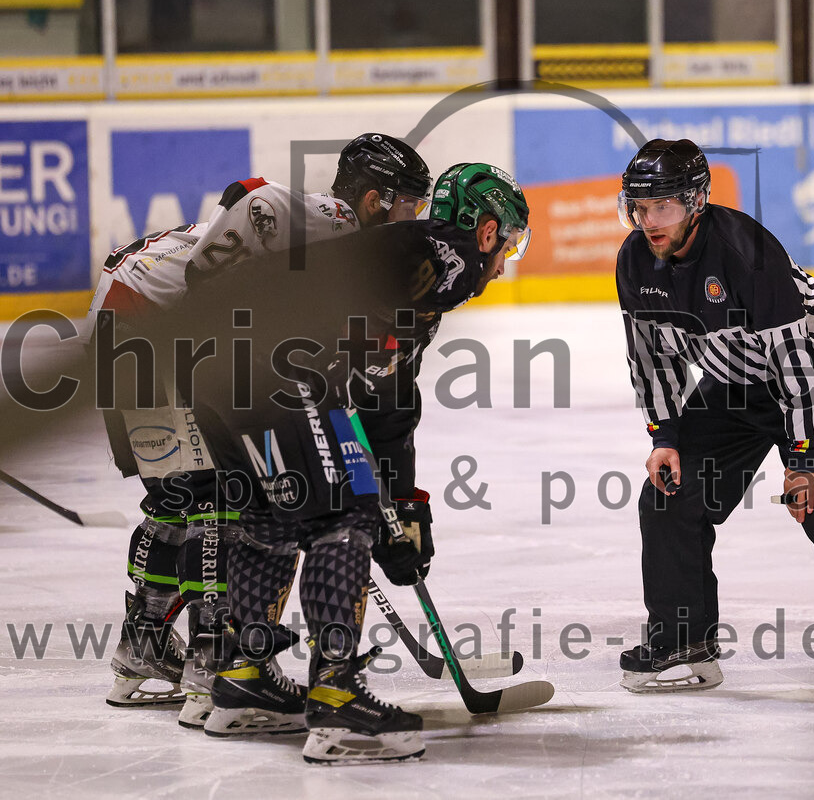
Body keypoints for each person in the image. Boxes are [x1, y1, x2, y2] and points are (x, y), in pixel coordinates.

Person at [170, 163, 529, 763]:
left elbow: (382, 403)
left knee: (273, 520)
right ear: (487, 230)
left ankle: (245, 681)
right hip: (275, 365)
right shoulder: (452, 254)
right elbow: (362, 388)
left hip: (214, 363)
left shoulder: (408, 258)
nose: (500, 264)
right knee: (344, 515)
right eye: (507, 245)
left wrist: (403, 501)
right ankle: (336, 698)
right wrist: (382, 508)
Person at [89, 134, 431, 729]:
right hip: (154, 332)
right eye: (411, 208)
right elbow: (253, 199)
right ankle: (212, 665)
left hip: (122, 319)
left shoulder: (328, 238)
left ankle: (143, 646)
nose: (416, 227)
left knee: (180, 496)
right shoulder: (336, 224)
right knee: (226, 499)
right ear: (377, 200)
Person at [614, 138, 814, 707]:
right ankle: (684, 643)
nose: (647, 222)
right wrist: (664, 437)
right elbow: (651, 358)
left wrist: (804, 461)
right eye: (637, 208)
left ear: (695, 201)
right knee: (669, 493)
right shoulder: (635, 261)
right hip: (737, 382)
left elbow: (798, 368)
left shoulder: (744, 252)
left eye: (660, 206)